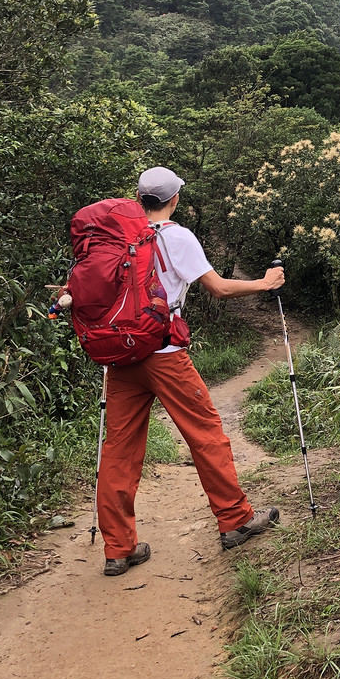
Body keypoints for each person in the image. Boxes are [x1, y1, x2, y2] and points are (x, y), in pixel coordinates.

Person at [96, 166, 285, 578]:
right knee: (206, 434)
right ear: (175, 198)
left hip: (121, 356)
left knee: (119, 451)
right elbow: (217, 287)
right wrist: (265, 283)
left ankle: (118, 549)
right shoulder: (176, 236)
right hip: (164, 354)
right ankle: (235, 520)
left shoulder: (114, 238)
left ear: (139, 198)